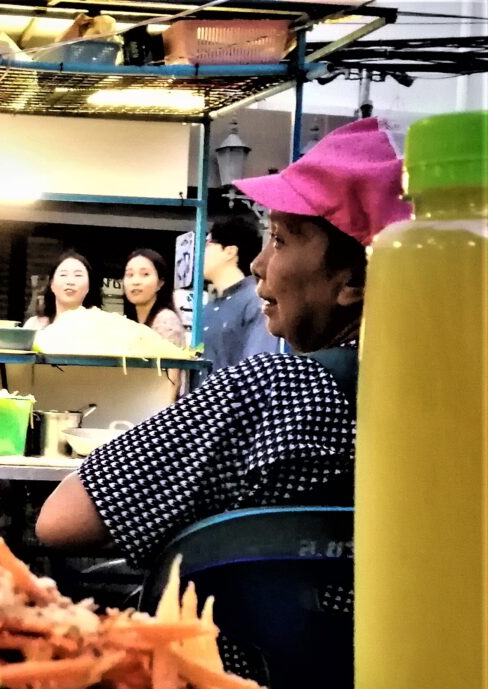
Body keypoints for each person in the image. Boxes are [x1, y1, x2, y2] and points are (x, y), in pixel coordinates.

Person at [36, 117, 411, 571]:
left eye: (281, 239)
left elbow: (61, 521)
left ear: (354, 281)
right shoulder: (445, 402)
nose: (258, 263)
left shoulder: (276, 389)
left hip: (232, 642)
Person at [202, 217, 280, 370]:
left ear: (229, 251)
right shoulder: (210, 305)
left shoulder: (256, 302)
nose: (201, 252)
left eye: (207, 244)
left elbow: (258, 367)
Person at [122, 248, 186, 348]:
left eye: (145, 274)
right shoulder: (129, 323)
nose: (135, 281)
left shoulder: (166, 323)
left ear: (160, 282)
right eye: (130, 275)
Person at [23, 251, 101, 330]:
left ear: (89, 285)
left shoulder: (101, 327)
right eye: (63, 275)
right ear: (51, 284)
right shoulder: (34, 325)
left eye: (78, 275)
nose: (70, 281)